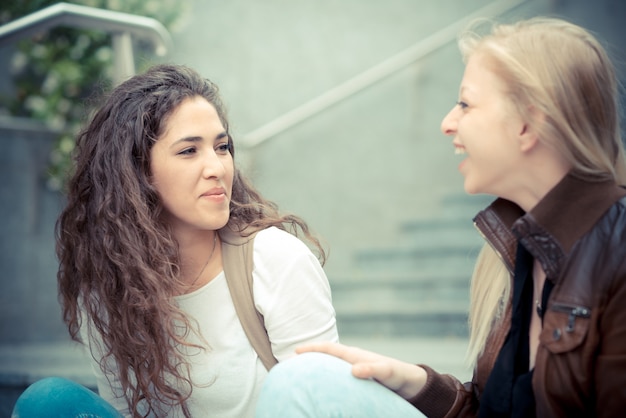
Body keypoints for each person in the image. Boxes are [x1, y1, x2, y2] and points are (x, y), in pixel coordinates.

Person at [253, 17, 626, 417]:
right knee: (303, 378)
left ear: (527, 125)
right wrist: (414, 381)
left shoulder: (616, 256)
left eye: (465, 103)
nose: (447, 123)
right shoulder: (522, 247)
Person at [12, 64, 338, 418]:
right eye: (189, 151)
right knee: (46, 401)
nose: (217, 168)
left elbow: (320, 401)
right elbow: (125, 408)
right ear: (137, 173)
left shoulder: (276, 258)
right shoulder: (107, 288)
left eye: (222, 147)